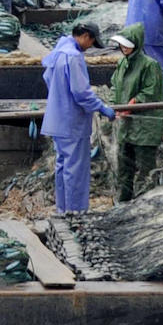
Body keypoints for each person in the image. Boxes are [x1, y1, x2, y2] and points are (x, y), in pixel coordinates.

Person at [40, 21, 117, 213]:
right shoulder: (73, 57)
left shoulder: (58, 51)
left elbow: (47, 78)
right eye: (91, 42)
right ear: (85, 36)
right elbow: (81, 92)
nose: (90, 46)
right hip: (72, 122)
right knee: (75, 170)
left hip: (56, 120)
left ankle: (62, 209)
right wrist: (101, 107)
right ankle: (75, 213)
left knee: (62, 166)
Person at [107, 32, 163, 200]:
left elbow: (150, 91)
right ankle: (122, 201)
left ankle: (145, 203)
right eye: (122, 44)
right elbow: (114, 87)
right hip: (126, 125)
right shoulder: (122, 63)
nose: (124, 48)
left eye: (127, 44)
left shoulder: (150, 65)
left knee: (145, 170)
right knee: (124, 168)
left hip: (145, 126)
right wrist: (114, 106)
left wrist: (133, 103)